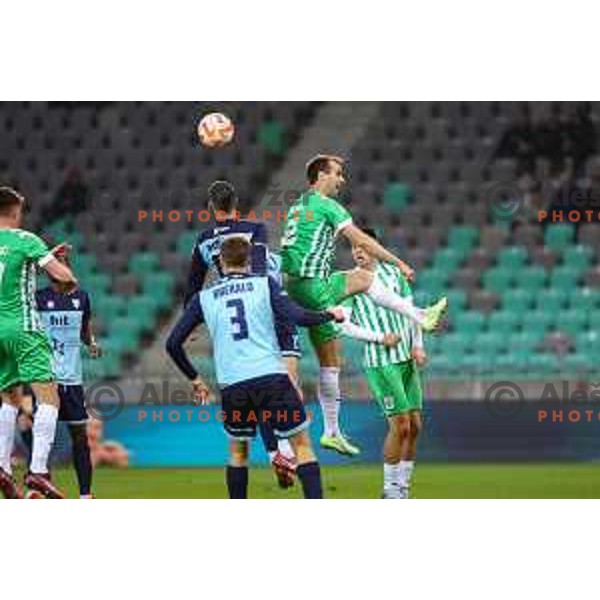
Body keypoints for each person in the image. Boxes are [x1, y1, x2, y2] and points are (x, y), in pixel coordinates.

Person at [280, 155, 446, 456]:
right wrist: (400, 263)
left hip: (291, 286)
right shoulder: (328, 206)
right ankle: (421, 315)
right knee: (364, 279)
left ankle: (316, 436)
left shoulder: (297, 206)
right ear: (321, 175)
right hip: (313, 285)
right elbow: (363, 242)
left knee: (326, 363)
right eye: (337, 173)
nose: (342, 180)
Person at [166, 237, 345, 499]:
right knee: (302, 446)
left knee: (238, 453)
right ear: (249, 260)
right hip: (272, 378)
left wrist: (195, 379)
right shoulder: (264, 284)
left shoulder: (203, 298)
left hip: (233, 386)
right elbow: (298, 316)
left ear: (220, 262)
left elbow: (172, 344)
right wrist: (331, 314)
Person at [184, 180, 300, 488]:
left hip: (225, 315)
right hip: (259, 307)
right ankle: (284, 448)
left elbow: (193, 283)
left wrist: (191, 321)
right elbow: (260, 269)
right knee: (274, 380)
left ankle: (276, 450)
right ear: (237, 203)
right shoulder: (254, 229)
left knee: (248, 388)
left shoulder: (204, 239)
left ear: (211, 207)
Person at [0, 186, 78, 499]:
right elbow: (65, 279)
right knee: (49, 398)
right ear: (15, 211)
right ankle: (38, 471)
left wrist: (38, 261)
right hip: (23, 327)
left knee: (8, 399)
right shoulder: (27, 240)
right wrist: (58, 266)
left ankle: (3, 467)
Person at [339, 229, 425, 499]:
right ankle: (390, 491)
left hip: (405, 359)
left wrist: (418, 345)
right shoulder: (352, 281)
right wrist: (379, 337)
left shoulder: (394, 274)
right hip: (381, 363)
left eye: (362, 246)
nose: (358, 251)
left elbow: (412, 311)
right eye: (353, 247)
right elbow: (344, 327)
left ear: (374, 247)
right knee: (399, 425)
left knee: (415, 426)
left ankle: (403, 487)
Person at [35, 246, 102, 499]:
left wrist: (92, 343)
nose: (60, 267)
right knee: (43, 436)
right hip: (45, 378)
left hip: (73, 380)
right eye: (56, 263)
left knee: (79, 437)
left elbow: (85, 330)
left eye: (64, 262)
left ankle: (85, 494)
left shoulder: (82, 298)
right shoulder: (37, 298)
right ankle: (41, 488)